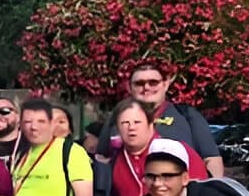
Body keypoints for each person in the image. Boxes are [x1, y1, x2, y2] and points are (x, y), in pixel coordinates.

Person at [91, 60, 225, 177]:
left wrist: (211, 193)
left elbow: (211, 159)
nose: (146, 87)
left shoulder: (187, 115)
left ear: (165, 84)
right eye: (139, 83)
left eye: (153, 82)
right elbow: (102, 158)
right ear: (129, 87)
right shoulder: (117, 117)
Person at [6, 98, 95, 196]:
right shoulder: (20, 155)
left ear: (51, 123)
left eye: (41, 121)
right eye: (27, 122)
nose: (33, 127)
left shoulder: (70, 151)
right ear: (20, 125)